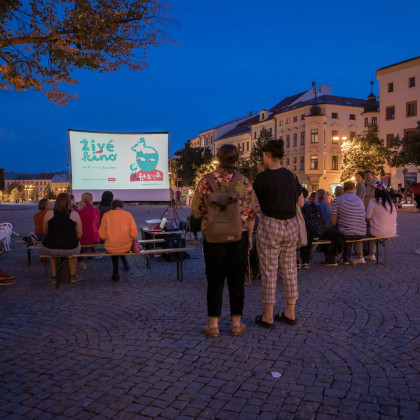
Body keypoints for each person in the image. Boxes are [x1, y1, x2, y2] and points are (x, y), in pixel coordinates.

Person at [192, 144, 258, 338]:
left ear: (218, 158)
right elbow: (253, 213)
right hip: (238, 236)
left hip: (213, 237)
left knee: (214, 280)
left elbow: (195, 211)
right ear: (236, 160)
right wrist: (250, 237)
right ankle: (237, 324)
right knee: (237, 280)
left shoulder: (205, 181)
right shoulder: (245, 182)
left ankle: (213, 326)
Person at [253, 139, 304, 329]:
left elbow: (254, 202)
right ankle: (290, 312)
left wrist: (260, 174)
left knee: (269, 271)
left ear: (266, 155)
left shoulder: (262, 178)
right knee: (290, 270)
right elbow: (301, 203)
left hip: (270, 225)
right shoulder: (291, 176)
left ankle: (268, 316)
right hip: (290, 226)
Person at [321, 181, 366, 266]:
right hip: (361, 232)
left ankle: (331, 259)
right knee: (346, 229)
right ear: (354, 189)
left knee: (328, 232)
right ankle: (346, 258)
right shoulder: (360, 200)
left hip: (347, 232)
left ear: (344, 190)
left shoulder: (338, 200)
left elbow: (333, 222)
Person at [41, 192, 82, 284]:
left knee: (53, 254)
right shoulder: (74, 214)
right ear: (69, 202)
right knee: (75, 250)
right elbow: (79, 234)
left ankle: (54, 276)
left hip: (50, 247)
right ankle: (72, 276)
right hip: (70, 247)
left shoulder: (49, 213)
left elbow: (45, 231)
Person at [354, 182, 397, 262]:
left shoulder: (373, 202)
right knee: (373, 228)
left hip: (378, 231)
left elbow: (367, 217)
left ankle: (360, 256)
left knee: (358, 232)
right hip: (392, 231)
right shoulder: (391, 203)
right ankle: (372, 254)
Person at [98, 200, 138, 282]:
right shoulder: (128, 215)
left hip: (111, 247)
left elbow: (102, 235)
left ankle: (115, 273)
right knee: (120, 246)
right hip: (126, 247)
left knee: (115, 247)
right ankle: (125, 265)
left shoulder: (106, 215)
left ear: (112, 207)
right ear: (122, 207)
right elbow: (134, 234)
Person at [77, 192, 101, 270]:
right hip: (92, 237)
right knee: (89, 236)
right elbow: (97, 224)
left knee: (83, 237)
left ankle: (83, 260)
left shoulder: (78, 211)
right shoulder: (95, 211)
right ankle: (84, 261)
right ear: (91, 200)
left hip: (79, 236)